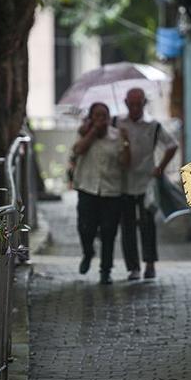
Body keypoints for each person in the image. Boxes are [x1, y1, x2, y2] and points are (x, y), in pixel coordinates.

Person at [114, 88, 178, 280]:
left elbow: (172, 144)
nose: (135, 107)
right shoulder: (117, 123)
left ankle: (150, 264)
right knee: (127, 227)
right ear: (125, 103)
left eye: (138, 104)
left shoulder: (153, 125)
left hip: (146, 183)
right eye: (131, 104)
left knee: (147, 224)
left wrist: (161, 167)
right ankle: (133, 268)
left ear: (144, 104)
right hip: (123, 182)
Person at [72, 102, 131, 285]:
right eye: (97, 116)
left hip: (111, 191)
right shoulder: (84, 133)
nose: (101, 120)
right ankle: (88, 252)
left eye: (104, 116)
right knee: (85, 227)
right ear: (91, 118)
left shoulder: (117, 136)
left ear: (109, 118)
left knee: (108, 232)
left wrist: (127, 143)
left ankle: (106, 270)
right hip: (87, 188)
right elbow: (77, 151)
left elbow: (125, 163)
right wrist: (91, 133)